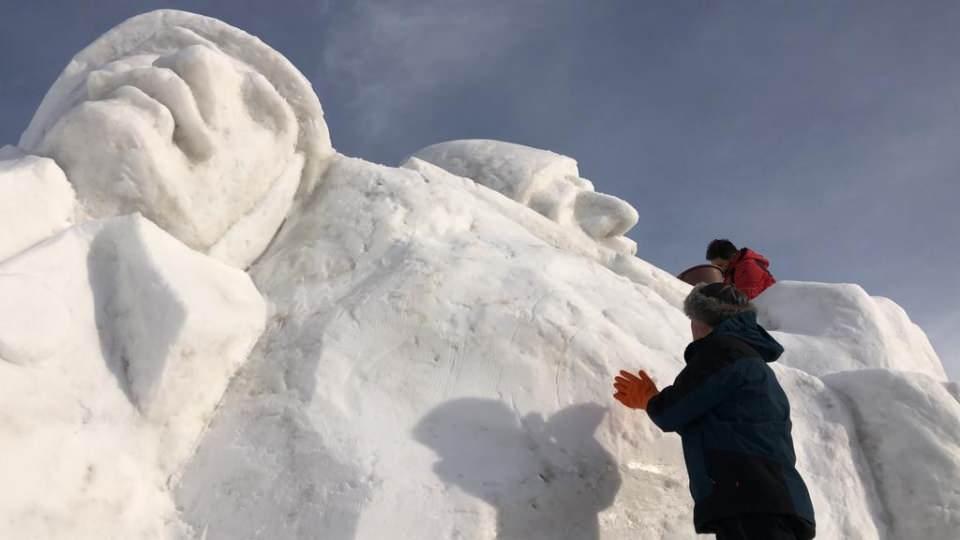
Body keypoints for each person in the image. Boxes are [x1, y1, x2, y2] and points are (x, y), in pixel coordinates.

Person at [613, 283, 816, 540]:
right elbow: (718, 424)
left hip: (750, 500)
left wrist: (650, 400)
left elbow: (674, 410)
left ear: (702, 320)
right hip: (772, 500)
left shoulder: (724, 351)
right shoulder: (752, 363)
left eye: (692, 319)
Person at [705, 239, 776, 299]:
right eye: (714, 266)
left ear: (732, 257)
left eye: (720, 265)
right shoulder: (730, 274)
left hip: (767, 309)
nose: (718, 269)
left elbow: (747, 297)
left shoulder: (747, 266)